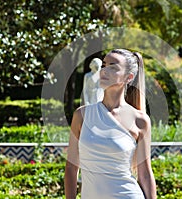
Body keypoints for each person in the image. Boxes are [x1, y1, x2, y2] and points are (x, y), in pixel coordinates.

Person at [64, 49, 157, 199]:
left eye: (113, 67)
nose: (104, 71)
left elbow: (145, 174)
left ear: (129, 77)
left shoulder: (140, 120)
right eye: (104, 65)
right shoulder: (82, 115)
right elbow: (71, 168)